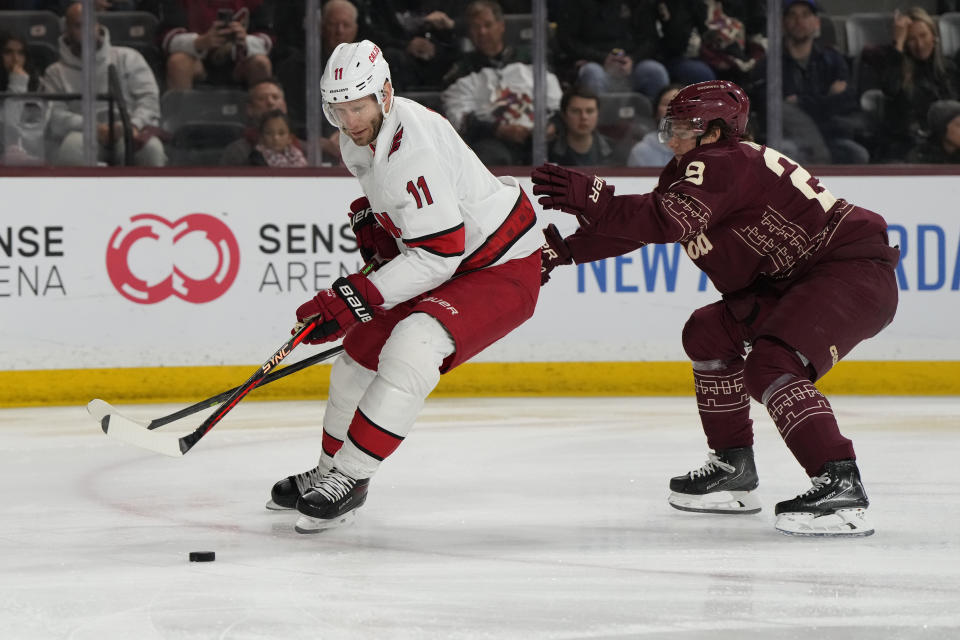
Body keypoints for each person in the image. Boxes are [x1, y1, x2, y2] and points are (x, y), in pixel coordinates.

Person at [533, 80, 900, 537]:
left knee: (771, 365)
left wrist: (598, 199)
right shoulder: (695, 169)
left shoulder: (725, 161)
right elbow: (642, 226)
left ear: (716, 130)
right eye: (669, 125)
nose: (671, 137)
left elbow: (665, 220)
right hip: (795, 281)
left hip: (846, 271)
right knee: (707, 332)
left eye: (684, 126)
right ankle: (733, 468)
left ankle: (839, 483)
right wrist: (564, 252)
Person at [268, 40, 543, 533]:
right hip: (452, 260)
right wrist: (379, 231)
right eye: (339, 108)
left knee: (413, 346)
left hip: (501, 265)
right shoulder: (355, 140)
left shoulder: (411, 145)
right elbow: (417, 232)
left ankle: (350, 478)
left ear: (385, 94)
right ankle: (329, 469)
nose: (350, 120)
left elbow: (440, 253)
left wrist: (354, 297)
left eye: (359, 105)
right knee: (357, 355)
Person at [41, 2, 166, 167]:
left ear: (98, 26)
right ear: (67, 31)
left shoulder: (128, 57)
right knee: (70, 148)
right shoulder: (55, 72)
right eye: (79, 26)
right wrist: (94, 128)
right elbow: (55, 116)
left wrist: (132, 125)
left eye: (91, 24)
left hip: (127, 130)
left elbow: (149, 99)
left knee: (151, 149)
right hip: (82, 133)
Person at [864, 7, 958, 162]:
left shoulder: (949, 69)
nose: (920, 45)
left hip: (948, 146)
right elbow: (890, 89)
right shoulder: (896, 68)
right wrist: (898, 43)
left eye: (923, 35)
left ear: (934, 36)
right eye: (911, 39)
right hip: (909, 146)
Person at [552, 0, 670, 99]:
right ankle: (595, 124)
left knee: (655, 71)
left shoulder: (638, 3)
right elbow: (566, 40)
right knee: (592, 73)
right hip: (595, 62)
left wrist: (633, 59)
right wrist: (601, 59)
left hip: (632, 64)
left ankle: (660, 124)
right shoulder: (577, 3)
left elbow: (650, 39)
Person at [155, 0, 274, 91]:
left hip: (239, 62)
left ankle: (262, 118)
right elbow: (167, 39)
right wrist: (200, 42)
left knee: (261, 63)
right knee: (178, 62)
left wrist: (245, 41)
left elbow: (268, 37)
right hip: (197, 61)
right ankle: (178, 119)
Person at [219, 78, 300, 166]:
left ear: (284, 106)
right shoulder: (237, 152)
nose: (270, 102)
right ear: (250, 109)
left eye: (275, 97)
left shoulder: (308, 150)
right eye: (262, 98)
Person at [0, 30, 47, 165]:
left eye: (21, 53)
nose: (15, 59)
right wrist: (18, 83)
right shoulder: (20, 80)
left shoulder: (38, 84)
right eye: (8, 52)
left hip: (31, 154)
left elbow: (39, 129)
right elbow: (7, 129)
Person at [548, 86, 618, 166]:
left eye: (590, 111)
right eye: (576, 111)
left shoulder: (615, 150)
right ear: (564, 115)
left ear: (598, 114)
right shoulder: (548, 153)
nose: (584, 117)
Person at [627, 83, 683, 167]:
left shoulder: (702, 149)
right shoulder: (641, 151)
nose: (672, 109)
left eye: (679, 104)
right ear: (656, 112)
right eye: (666, 104)